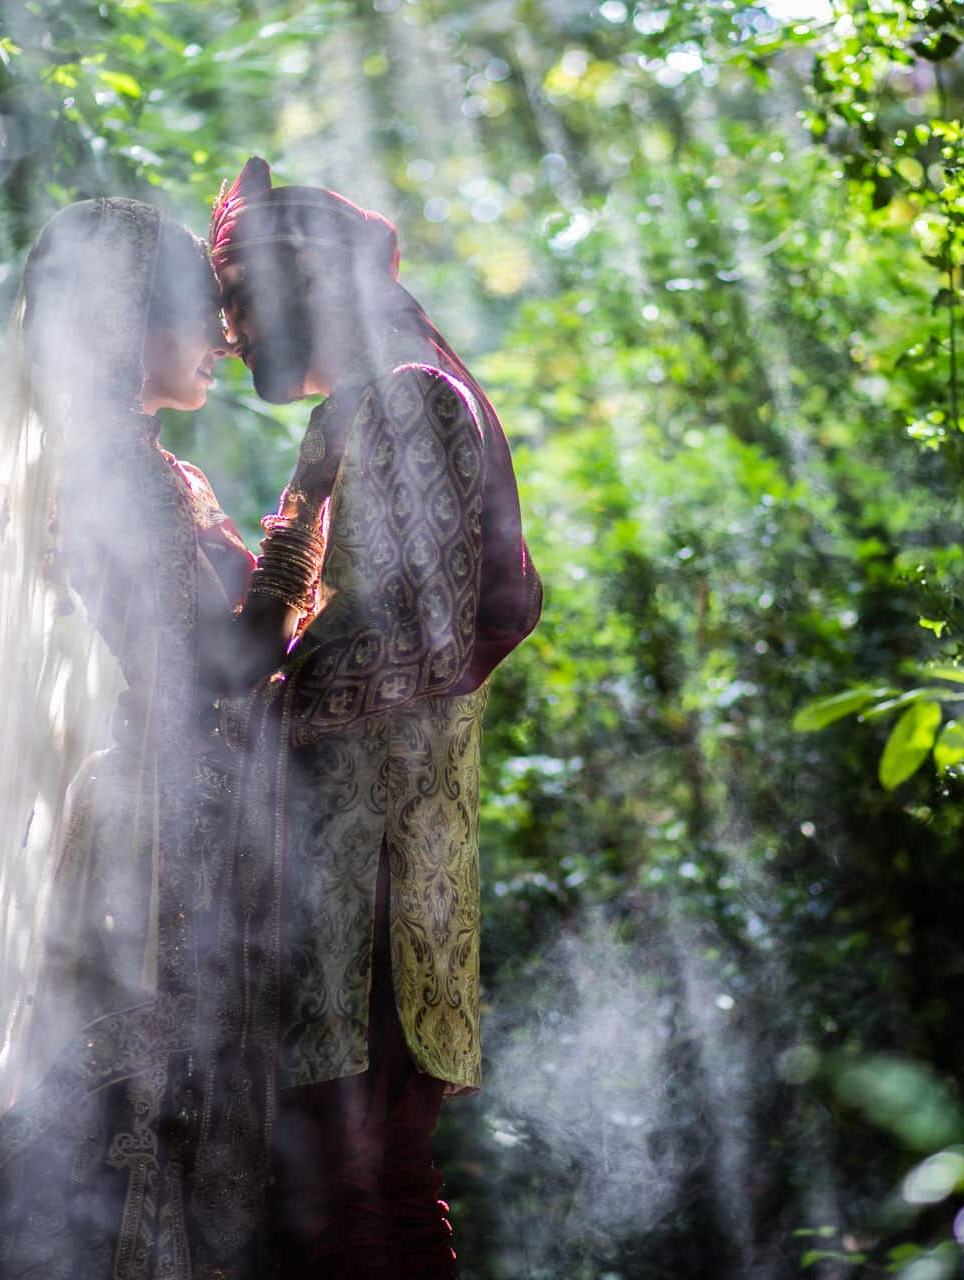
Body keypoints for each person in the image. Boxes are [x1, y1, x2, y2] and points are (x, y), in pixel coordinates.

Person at [0, 196, 275, 1280]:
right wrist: (312, 529)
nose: (221, 338)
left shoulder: (154, 471)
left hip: (188, 816)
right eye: (199, 313)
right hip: (159, 836)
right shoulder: (111, 474)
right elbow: (209, 662)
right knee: (135, 1117)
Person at [205, 157, 542, 1278]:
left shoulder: (411, 397)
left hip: (379, 863)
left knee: (357, 1173)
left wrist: (276, 696)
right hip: (339, 846)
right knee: (348, 1173)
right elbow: (278, 618)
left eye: (240, 297)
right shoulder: (355, 410)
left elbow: (445, 637)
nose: (231, 331)